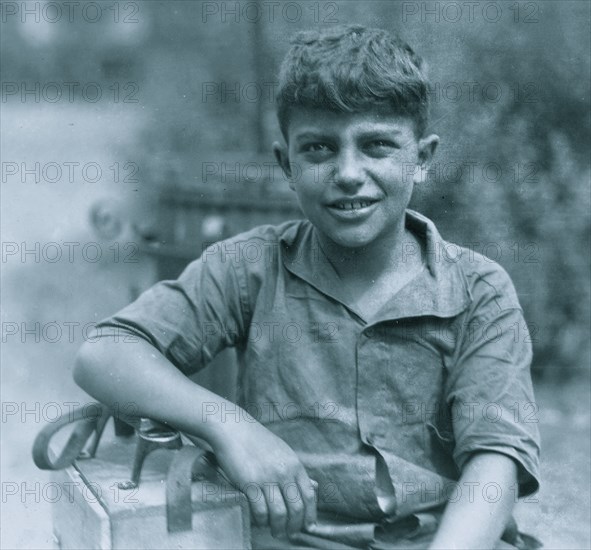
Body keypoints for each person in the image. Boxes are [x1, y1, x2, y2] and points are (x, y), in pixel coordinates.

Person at [74, 25, 541, 549]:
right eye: (319, 149)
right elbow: (105, 353)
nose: (347, 173)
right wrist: (229, 426)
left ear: (423, 158)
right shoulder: (249, 267)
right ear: (286, 165)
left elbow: (495, 461)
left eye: (377, 146)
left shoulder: (479, 291)